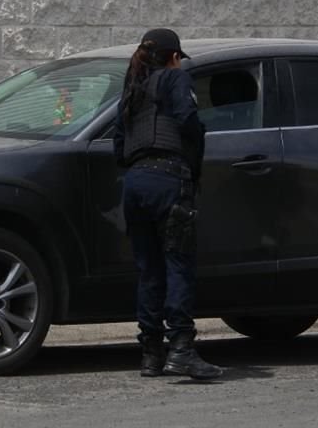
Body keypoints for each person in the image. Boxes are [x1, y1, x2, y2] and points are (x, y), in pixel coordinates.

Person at [113, 28, 223, 381]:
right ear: (174, 56)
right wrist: (193, 158)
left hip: (135, 183)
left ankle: (150, 353)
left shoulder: (132, 89)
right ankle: (181, 349)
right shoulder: (176, 79)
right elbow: (188, 120)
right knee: (178, 263)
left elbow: (118, 143)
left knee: (149, 269)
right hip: (168, 179)